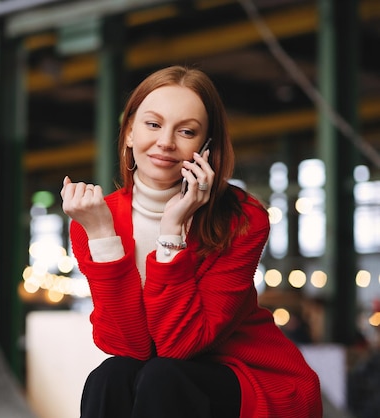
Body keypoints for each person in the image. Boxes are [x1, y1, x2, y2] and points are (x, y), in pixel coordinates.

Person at [60, 65, 322, 418]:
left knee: (163, 376)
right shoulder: (94, 220)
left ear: (206, 147)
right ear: (129, 134)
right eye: (153, 125)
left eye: (186, 131)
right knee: (109, 376)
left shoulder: (243, 218)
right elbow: (127, 346)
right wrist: (104, 238)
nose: (166, 142)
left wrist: (172, 231)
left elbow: (180, 345)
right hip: (161, 377)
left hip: (248, 377)